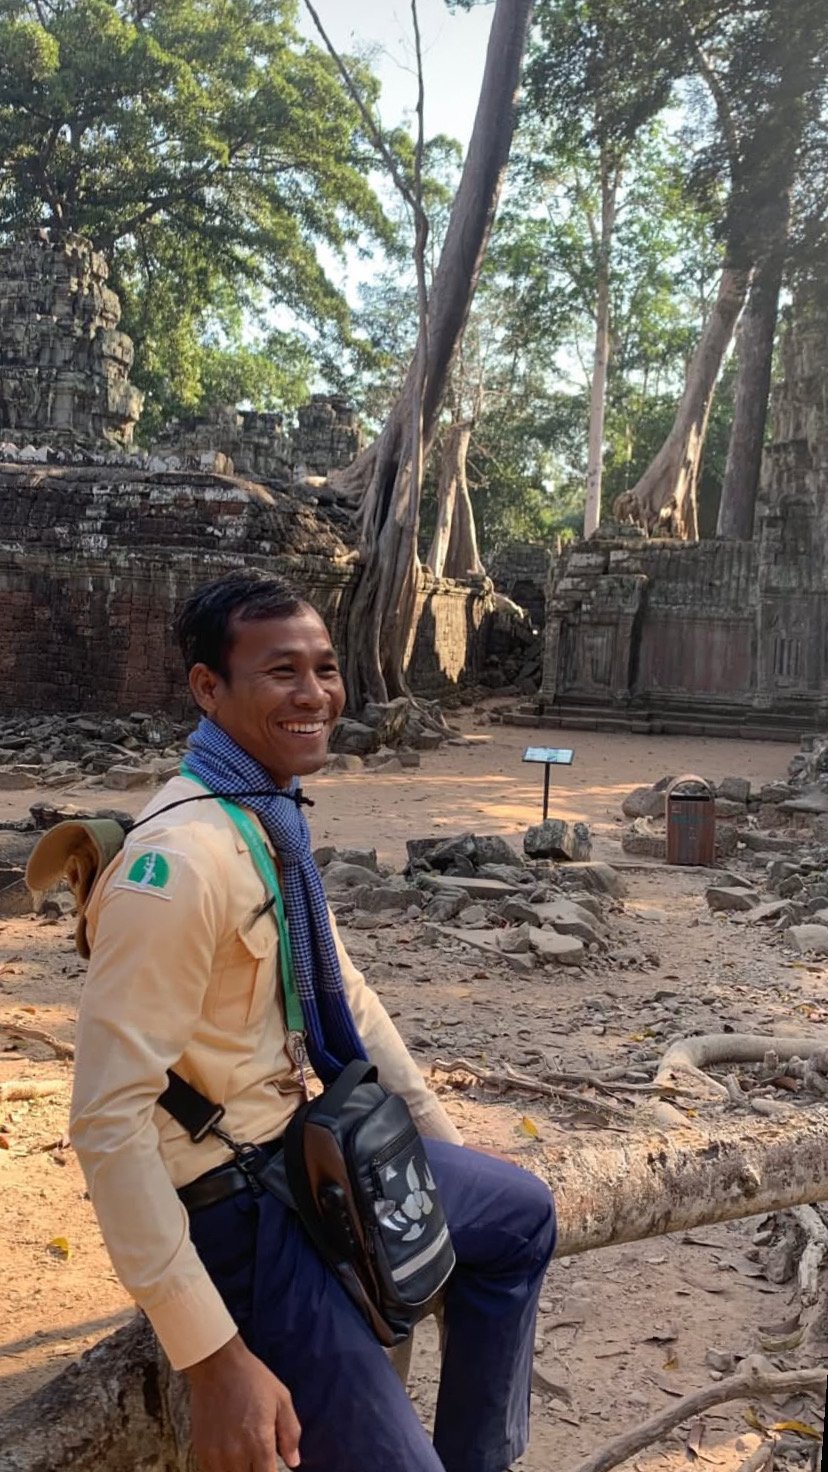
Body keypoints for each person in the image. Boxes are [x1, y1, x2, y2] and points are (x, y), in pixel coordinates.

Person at [70, 571, 556, 1472]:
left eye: (325, 669)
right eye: (281, 672)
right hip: (242, 1210)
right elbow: (106, 1122)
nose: (316, 695)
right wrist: (212, 1360)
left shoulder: (264, 816)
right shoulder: (176, 867)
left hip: (314, 1147)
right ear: (208, 689)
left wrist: (435, 1154)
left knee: (521, 1216)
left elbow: (349, 994)